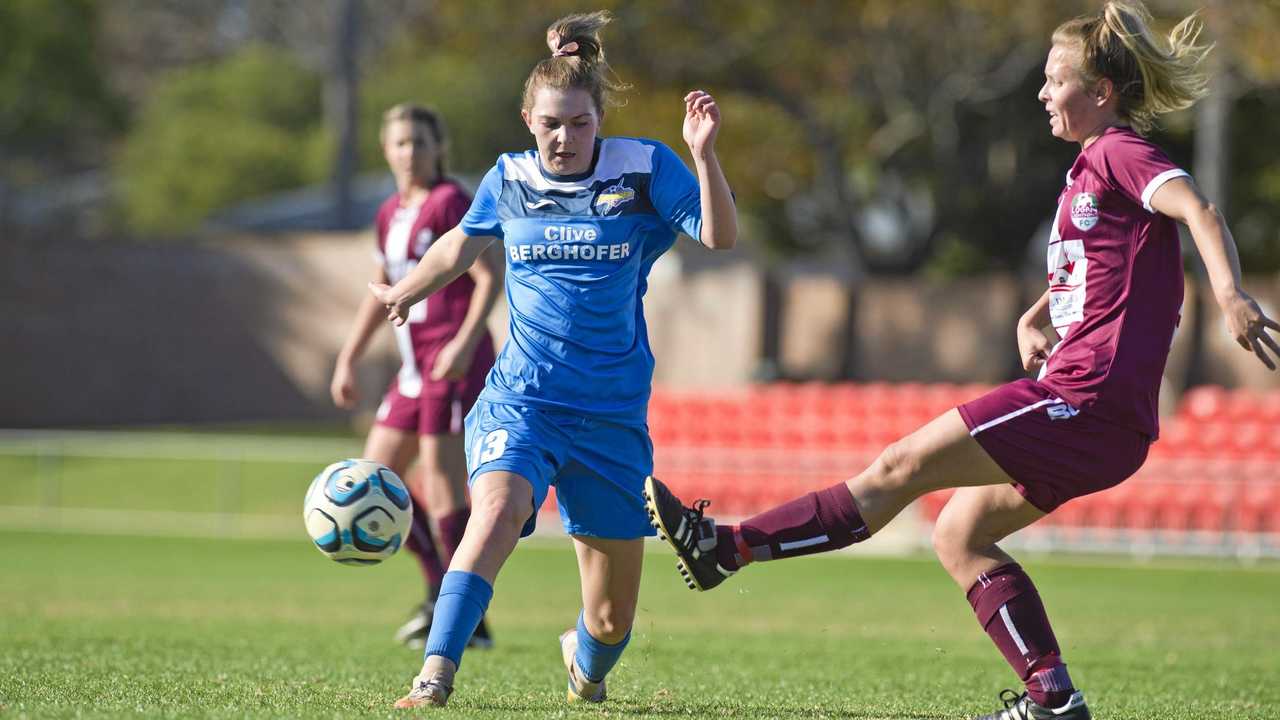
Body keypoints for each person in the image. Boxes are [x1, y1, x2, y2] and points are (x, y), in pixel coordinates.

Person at [644, 3, 1280, 719]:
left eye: (1055, 78)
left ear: (1101, 92)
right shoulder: (1085, 173)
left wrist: (1229, 295)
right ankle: (1052, 700)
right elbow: (1104, 269)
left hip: (1087, 401)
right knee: (958, 533)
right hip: (1103, 423)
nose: (1043, 92)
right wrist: (1040, 311)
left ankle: (726, 548)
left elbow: (1201, 210)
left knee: (897, 467)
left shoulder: (1116, 152)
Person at [368, 11, 737, 709]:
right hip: (522, 400)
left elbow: (719, 236)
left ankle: (585, 669)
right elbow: (459, 244)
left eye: (577, 124)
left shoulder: (646, 167)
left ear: (599, 120)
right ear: (526, 120)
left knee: (609, 621)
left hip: (609, 419)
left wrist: (704, 154)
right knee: (497, 510)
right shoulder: (506, 178)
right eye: (548, 125)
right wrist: (404, 293)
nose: (562, 138)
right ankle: (434, 674)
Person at [330, 103, 503, 650]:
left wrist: (464, 340)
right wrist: (349, 356)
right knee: (371, 477)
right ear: (386, 149)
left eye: (421, 143)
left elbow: (488, 275)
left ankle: (465, 615)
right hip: (412, 369)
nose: (411, 152)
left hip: (452, 358)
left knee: (443, 482)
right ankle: (439, 587)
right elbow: (382, 287)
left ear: (438, 149)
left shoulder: (449, 201)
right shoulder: (387, 214)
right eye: (401, 143)